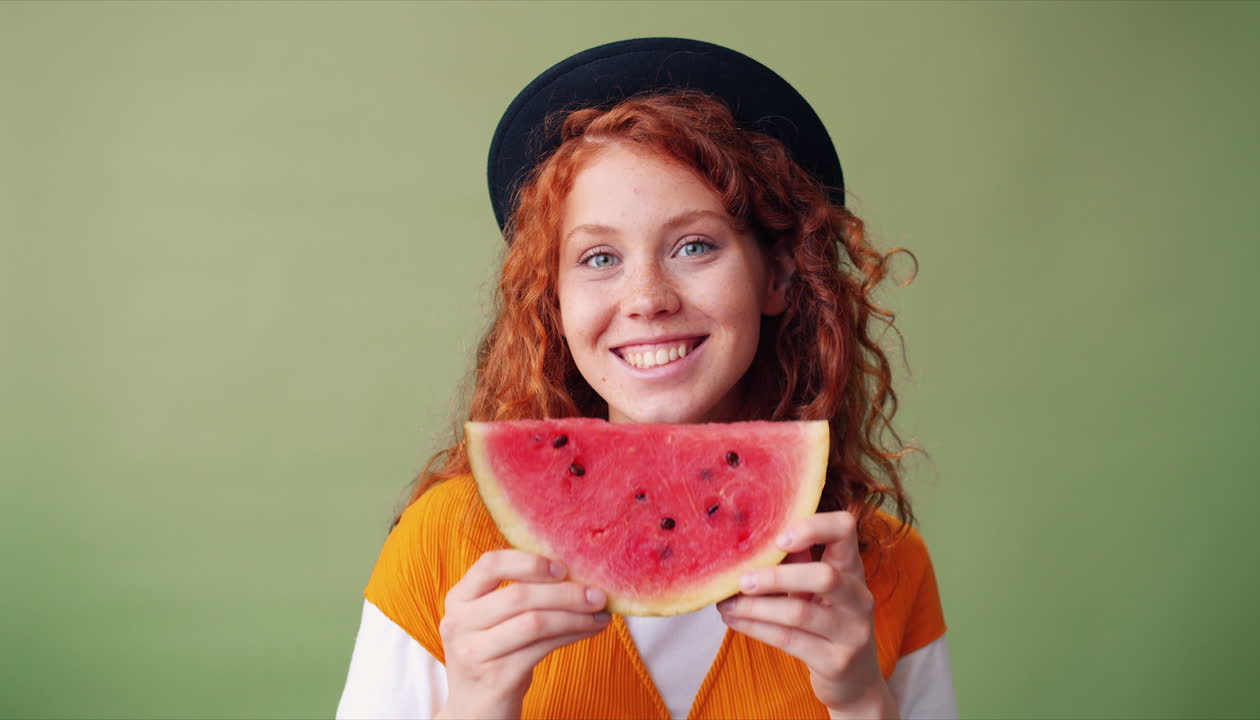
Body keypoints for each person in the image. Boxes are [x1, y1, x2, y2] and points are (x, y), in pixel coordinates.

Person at [336, 38, 956, 720]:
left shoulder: (882, 567)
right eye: (599, 257)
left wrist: (863, 701)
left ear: (777, 274)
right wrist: (475, 707)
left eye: (695, 246)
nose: (646, 298)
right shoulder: (445, 546)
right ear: (555, 301)